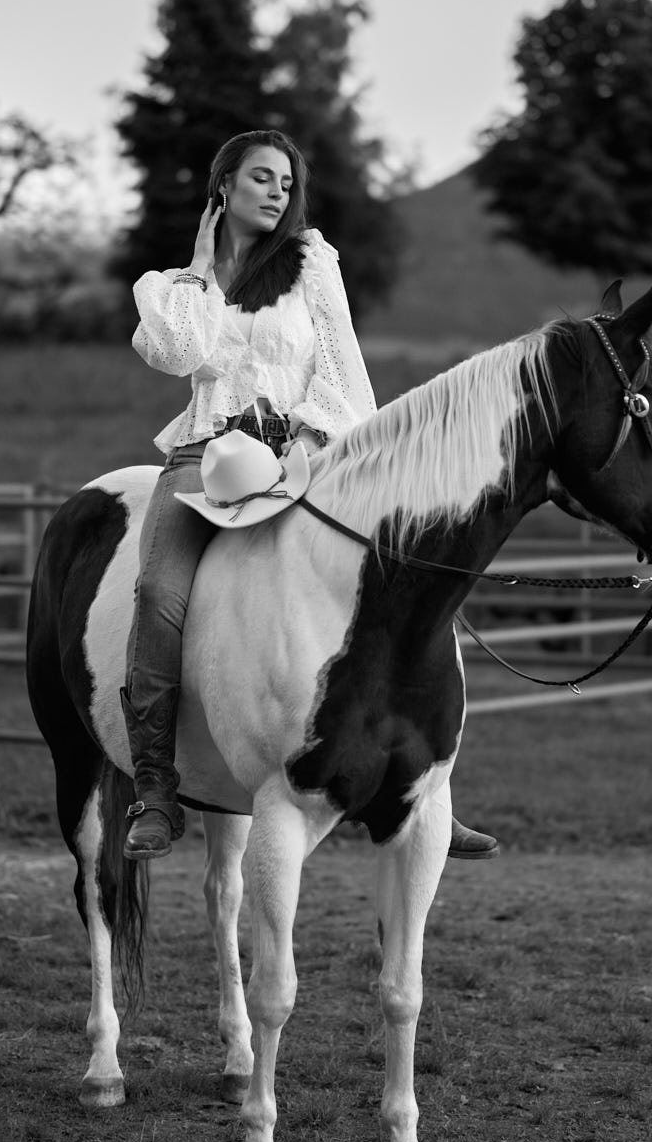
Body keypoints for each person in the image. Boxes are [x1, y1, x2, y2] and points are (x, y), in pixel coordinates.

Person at [122, 127, 499, 863]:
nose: (278, 192)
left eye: (287, 183)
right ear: (222, 186)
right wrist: (201, 270)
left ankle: (422, 788)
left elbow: (342, 372)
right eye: (261, 177)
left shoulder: (309, 263)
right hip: (204, 459)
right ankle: (155, 789)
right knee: (156, 595)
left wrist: (305, 441)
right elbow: (180, 356)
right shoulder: (169, 290)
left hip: (305, 454)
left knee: (397, 573)